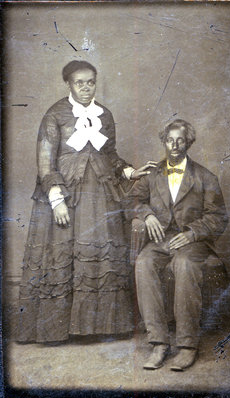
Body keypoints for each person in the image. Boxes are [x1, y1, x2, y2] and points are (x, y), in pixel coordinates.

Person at [17, 60, 156, 343]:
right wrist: (56, 200)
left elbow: (111, 156)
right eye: (79, 82)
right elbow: (45, 164)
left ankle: (101, 327)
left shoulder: (104, 114)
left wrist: (130, 171)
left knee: (99, 258)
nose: (86, 87)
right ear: (68, 83)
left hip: (102, 195)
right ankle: (57, 330)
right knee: (64, 255)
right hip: (68, 194)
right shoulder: (54, 114)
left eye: (91, 82)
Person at [126, 119, 228, 370]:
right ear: (164, 142)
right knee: (143, 262)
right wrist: (147, 215)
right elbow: (131, 201)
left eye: (180, 140)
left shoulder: (205, 176)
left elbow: (218, 217)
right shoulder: (152, 174)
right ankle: (159, 343)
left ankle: (186, 346)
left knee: (183, 265)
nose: (174, 145)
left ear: (189, 142)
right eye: (170, 140)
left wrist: (193, 233)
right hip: (161, 240)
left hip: (191, 242)